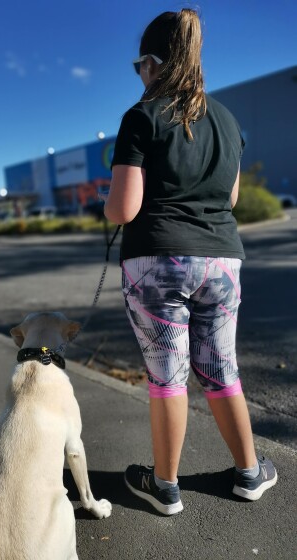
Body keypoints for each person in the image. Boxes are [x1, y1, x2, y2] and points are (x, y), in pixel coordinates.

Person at [103, 8, 277, 516]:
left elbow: (123, 209)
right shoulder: (228, 121)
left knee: (168, 377)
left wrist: (108, 205)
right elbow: (231, 199)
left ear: (153, 62)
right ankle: (250, 473)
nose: (139, 74)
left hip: (157, 259)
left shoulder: (142, 115)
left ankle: (165, 486)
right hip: (221, 260)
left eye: (138, 65)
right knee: (222, 369)